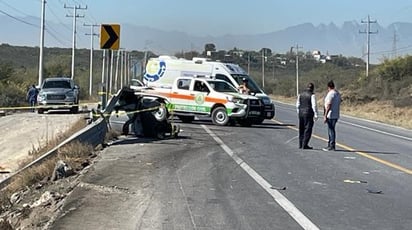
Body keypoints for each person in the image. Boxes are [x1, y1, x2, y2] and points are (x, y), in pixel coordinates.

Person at [296, 82, 318, 149]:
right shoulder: (312, 95)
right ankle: (304, 144)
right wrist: (316, 114)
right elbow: (314, 105)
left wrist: (298, 112)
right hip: (308, 113)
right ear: (312, 88)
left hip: (301, 113)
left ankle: (300, 144)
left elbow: (297, 104)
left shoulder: (301, 94)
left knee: (301, 129)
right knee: (308, 129)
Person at [323, 80, 341, 151]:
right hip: (336, 113)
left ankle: (331, 145)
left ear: (328, 87)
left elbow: (329, 105)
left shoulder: (331, 94)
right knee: (331, 129)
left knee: (331, 130)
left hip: (330, 114)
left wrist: (325, 115)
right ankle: (330, 144)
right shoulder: (337, 93)